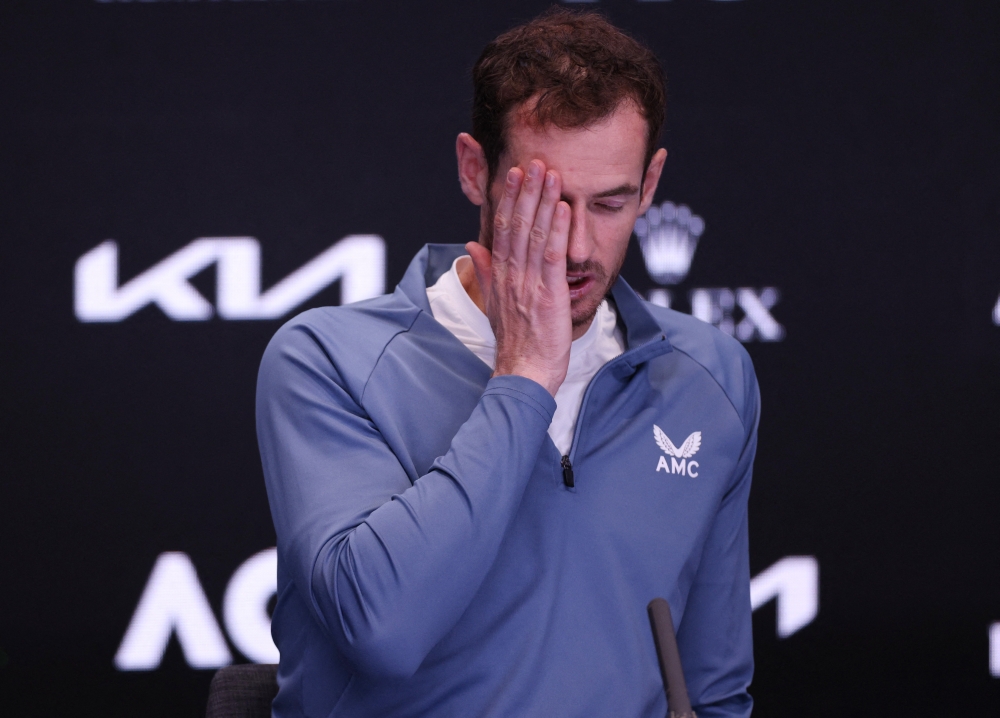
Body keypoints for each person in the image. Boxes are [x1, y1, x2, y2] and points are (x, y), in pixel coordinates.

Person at [256, 9, 758, 718]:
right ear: (475, 171)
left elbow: (710, 691)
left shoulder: (710, 377)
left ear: (650, 186)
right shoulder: (328, 360)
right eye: (547, 203)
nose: (579, 247)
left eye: (611, 203)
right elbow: (382, 629)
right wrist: (525, 376)